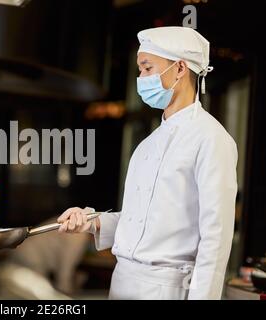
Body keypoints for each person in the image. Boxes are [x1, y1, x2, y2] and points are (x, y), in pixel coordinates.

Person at [57, 26, 238, 300]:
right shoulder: (146, 145)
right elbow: (141, 221)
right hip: (122, 282)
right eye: (140, 70)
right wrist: (93, 222)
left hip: (166, 289)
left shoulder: (212, 140)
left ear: (179, 69)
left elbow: (216, 238)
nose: (140, 78)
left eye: (147, 68)